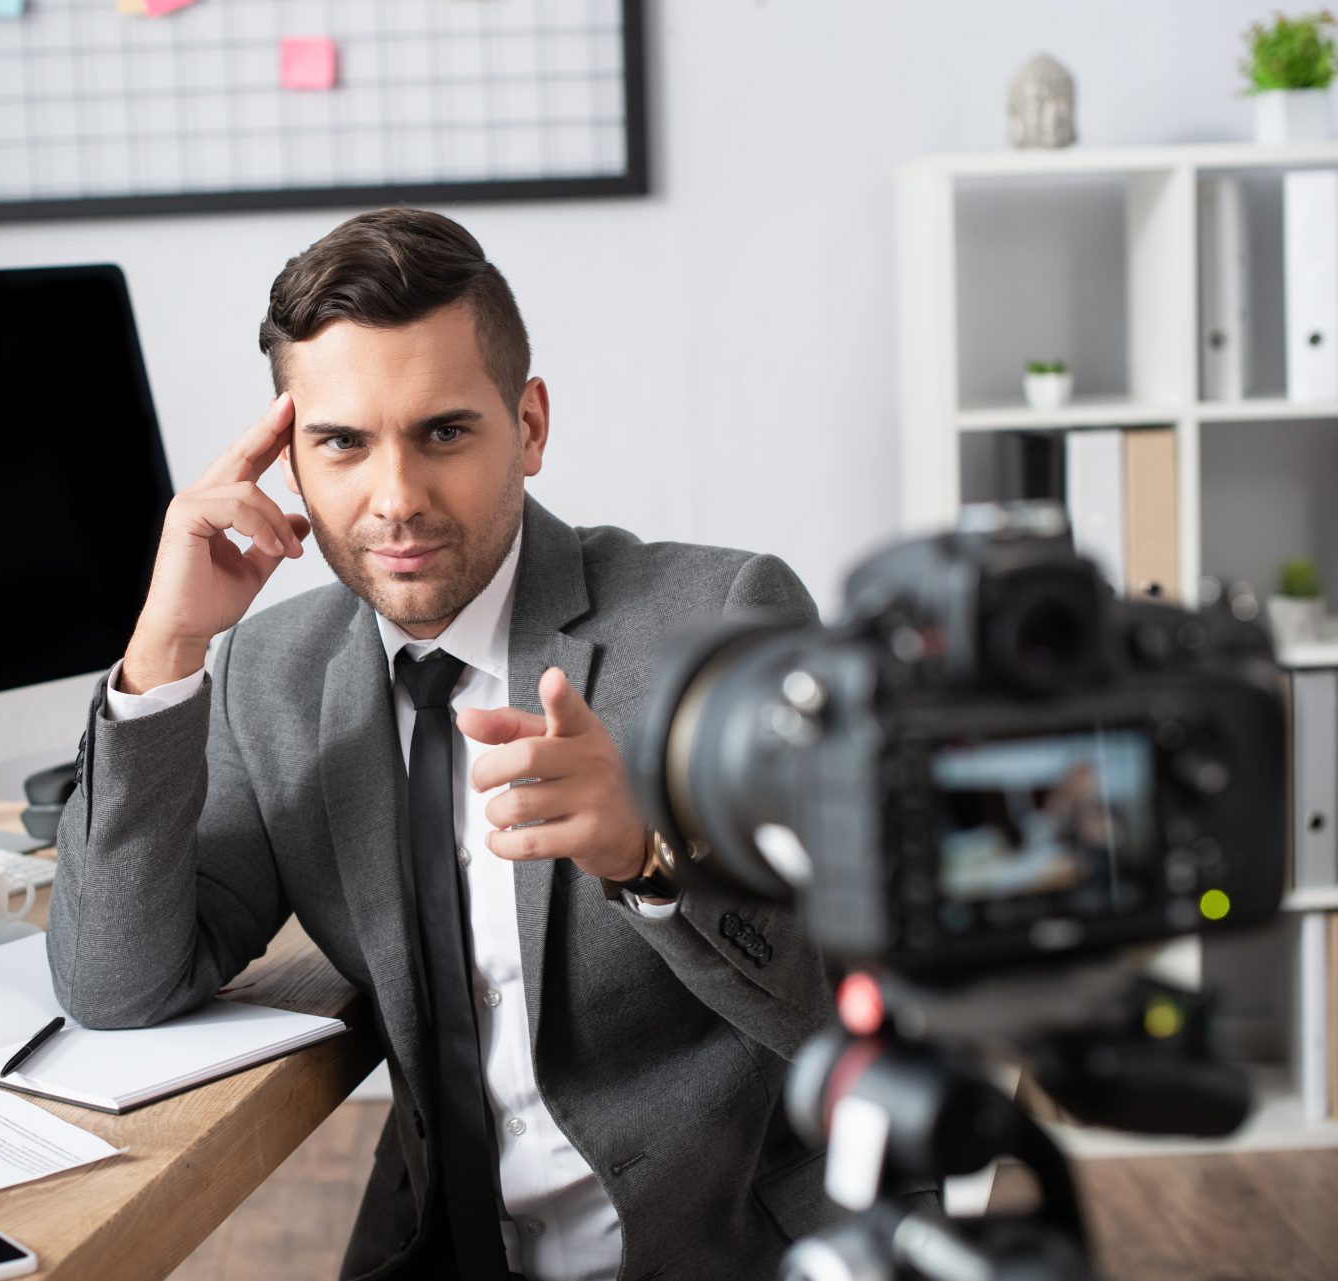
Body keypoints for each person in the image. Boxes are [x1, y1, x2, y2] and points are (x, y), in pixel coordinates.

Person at [48, 208, 837, 1280]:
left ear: (532, 425)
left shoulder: (721, 619)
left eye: (445, 433)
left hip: (725, 1249)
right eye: (342, 444)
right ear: (291, 461)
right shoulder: (270, 673)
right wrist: (165, 647)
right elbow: (115, 984)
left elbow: (850, 1004)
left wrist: (647, 858)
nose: (397, 501)